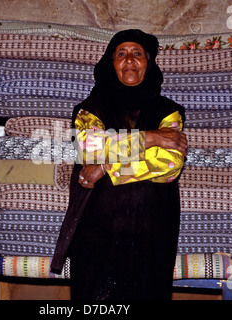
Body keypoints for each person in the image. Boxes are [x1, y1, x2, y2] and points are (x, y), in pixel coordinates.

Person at [51, 29, 188, 300]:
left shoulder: (168, 112)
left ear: (148, 63)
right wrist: (150, 137)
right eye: (121, 54)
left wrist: (105, 169)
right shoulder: (90, 109)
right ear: (110, 64)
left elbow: (169, 163)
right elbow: (89, 147)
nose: (129, 60)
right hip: (98, 224)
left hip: (153, 224)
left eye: (137, 54)